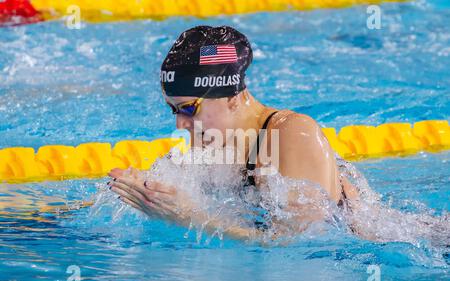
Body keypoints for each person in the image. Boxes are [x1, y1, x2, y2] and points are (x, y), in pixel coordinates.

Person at [108, 25, 358, 241]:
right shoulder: (215, 148)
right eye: (173, 110)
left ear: (231, 97)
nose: (180, 125)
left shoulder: (292, 133)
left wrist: (187, 217)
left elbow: (302, 248)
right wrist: (144, 192)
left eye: (188, 109)